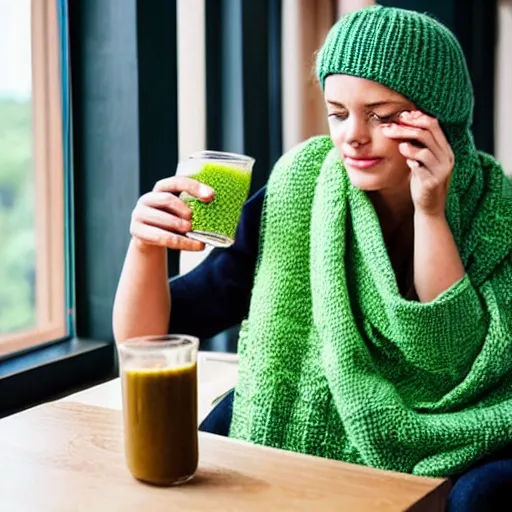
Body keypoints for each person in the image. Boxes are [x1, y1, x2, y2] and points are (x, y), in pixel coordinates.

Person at [113, 5, 512, 511]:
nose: (353, 136)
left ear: (442, 120)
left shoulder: (495, 215)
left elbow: (450, 361)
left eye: (382, 116)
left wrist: (429, 211)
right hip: (327, 403)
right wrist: (145, 247)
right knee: (220, 434)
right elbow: (148, 342)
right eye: (338, 112)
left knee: (481, 496)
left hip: (468, 421)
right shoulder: (300, 192)